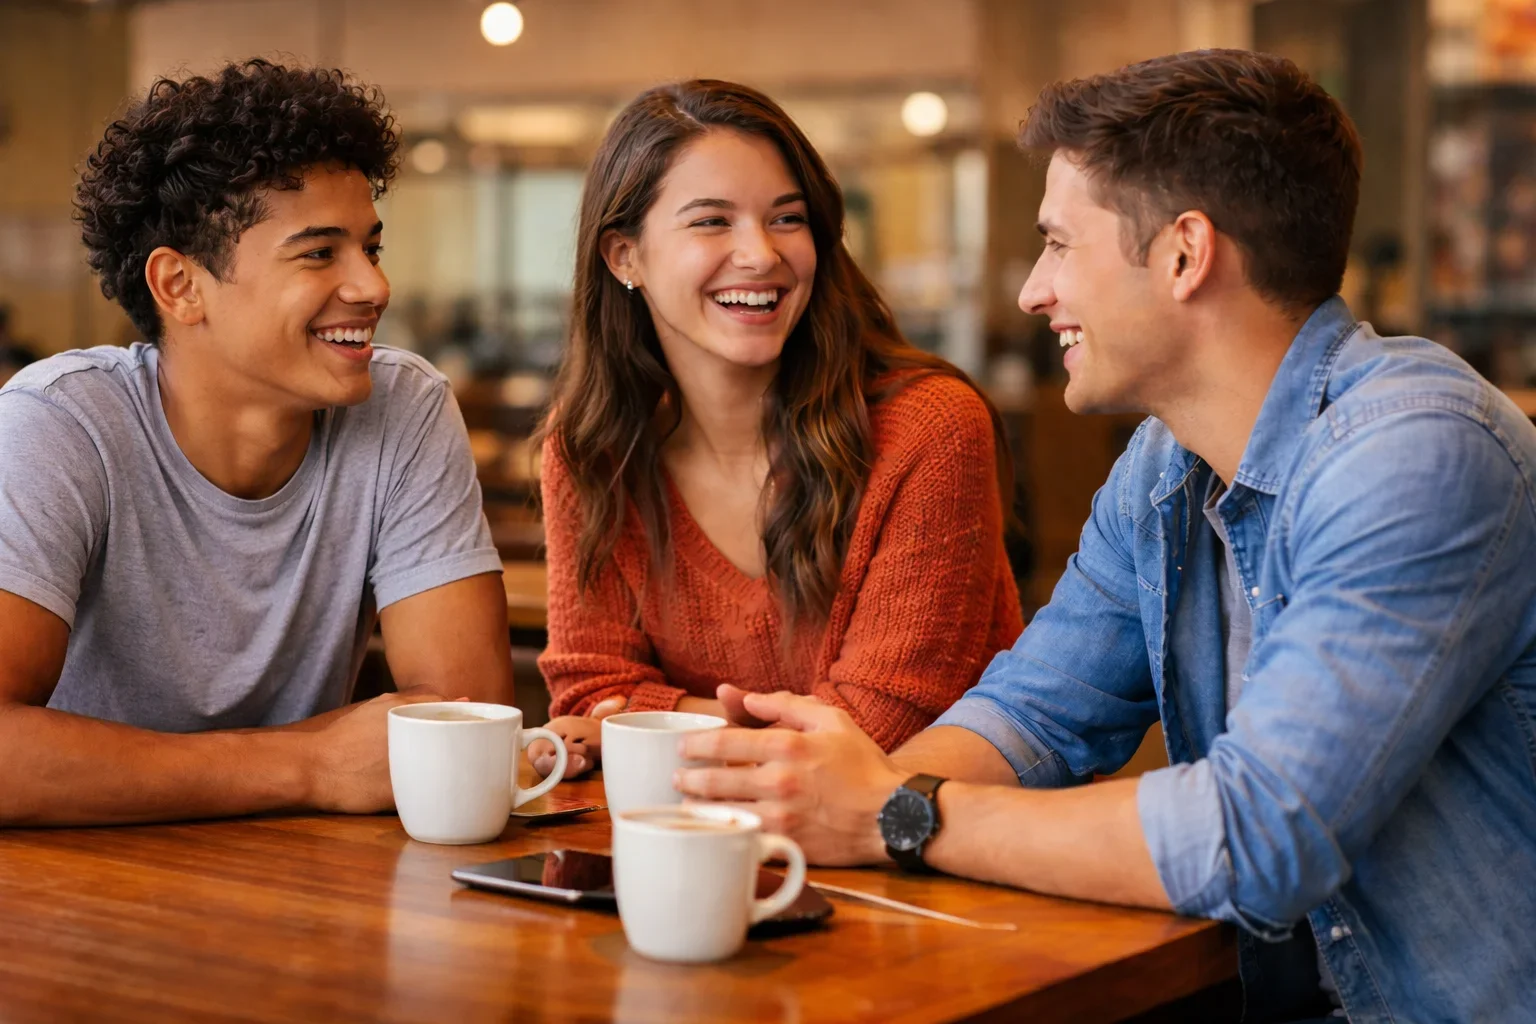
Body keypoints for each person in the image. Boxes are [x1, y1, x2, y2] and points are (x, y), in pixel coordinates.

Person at [672, 50, 1536, 1022]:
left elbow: (1257, 837)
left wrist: (896, 813)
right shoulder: (1164, 464)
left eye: (1057, 244)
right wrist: (823, 792)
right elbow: (1039, 713)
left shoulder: (1416, 454)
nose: (1032, 292)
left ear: (1182, 254)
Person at [0, 60, 513, 827]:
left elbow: (465, 726)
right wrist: (310, 765)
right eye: (318, 252)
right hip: (79, 901)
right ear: (180, 286)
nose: (374, 288)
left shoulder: (402, 406)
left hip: (304, 898)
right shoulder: (61, 423)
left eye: (370, 248)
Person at [532, 80, 1022, 777]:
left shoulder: (930, 430)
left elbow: (881, 728)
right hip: (704, 844)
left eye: (787, 219)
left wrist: (655, 719)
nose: (761, 254)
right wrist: (639, 718)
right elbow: (587, 696)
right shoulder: (593, 451)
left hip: (936, 859)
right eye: (711, 221)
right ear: (624, 257)